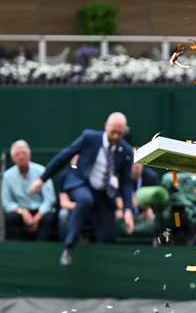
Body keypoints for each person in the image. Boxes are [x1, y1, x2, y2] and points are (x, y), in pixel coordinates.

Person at [31, 112, 135, 266]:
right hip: (81, 183)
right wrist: (42, 178)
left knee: (109, 233)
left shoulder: (126, 151)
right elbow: (64, 156)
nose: (116, 135)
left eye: (120, 133)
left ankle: (105, 267)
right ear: (106, 126)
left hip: (103, 194)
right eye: (113, 131)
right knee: (85, 199)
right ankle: (69, 247)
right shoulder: (89, 137)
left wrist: (128, 210)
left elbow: (126, 183)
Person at [2, 140, 56, 241]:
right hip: (21, 212)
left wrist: (37, 217)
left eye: (24, 153)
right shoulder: (7, 176)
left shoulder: (42, 171)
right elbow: (7, 203)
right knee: (11, 217)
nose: (21, 157)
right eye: (17, 154)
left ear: (29, 155)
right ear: (13, 158)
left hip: (40, 211)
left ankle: (41, 250)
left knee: (49, 218)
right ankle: (16, 251)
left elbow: (49, 199)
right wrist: (22, 211)